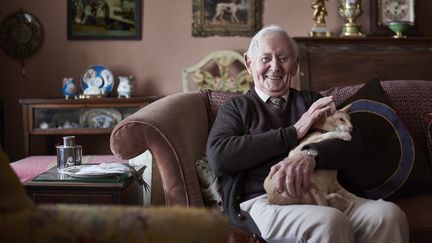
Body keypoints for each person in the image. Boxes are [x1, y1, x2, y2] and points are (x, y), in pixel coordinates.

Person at [206, 24, 409, 243]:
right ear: (249, 63)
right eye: (266, 58)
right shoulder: (238, 107)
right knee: (329, 221)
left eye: (283, 58)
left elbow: (351, 141)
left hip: (323, 196)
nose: (275, 67)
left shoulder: (311, 102)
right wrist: (294, 132)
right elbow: (219, 155)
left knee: (388, 216)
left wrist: (310, 155)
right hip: (262, 202)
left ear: (295, 64)